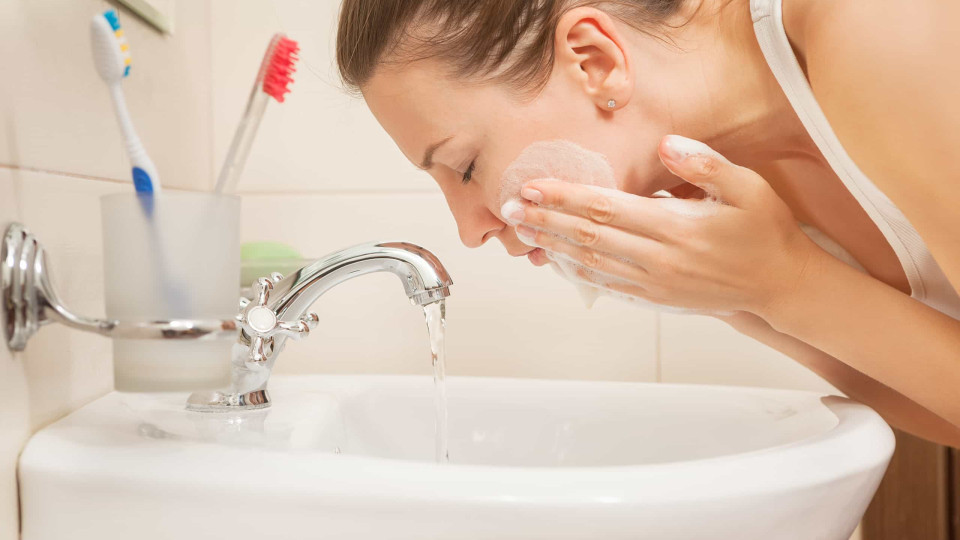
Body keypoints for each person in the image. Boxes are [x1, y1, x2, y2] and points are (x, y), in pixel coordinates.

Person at [335, 0, 960, 446]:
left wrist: (786, 285)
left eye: (465, 166)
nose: (470, 231)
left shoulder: (871, 25)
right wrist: (740, 299)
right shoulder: (713, 178)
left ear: (594, 60)